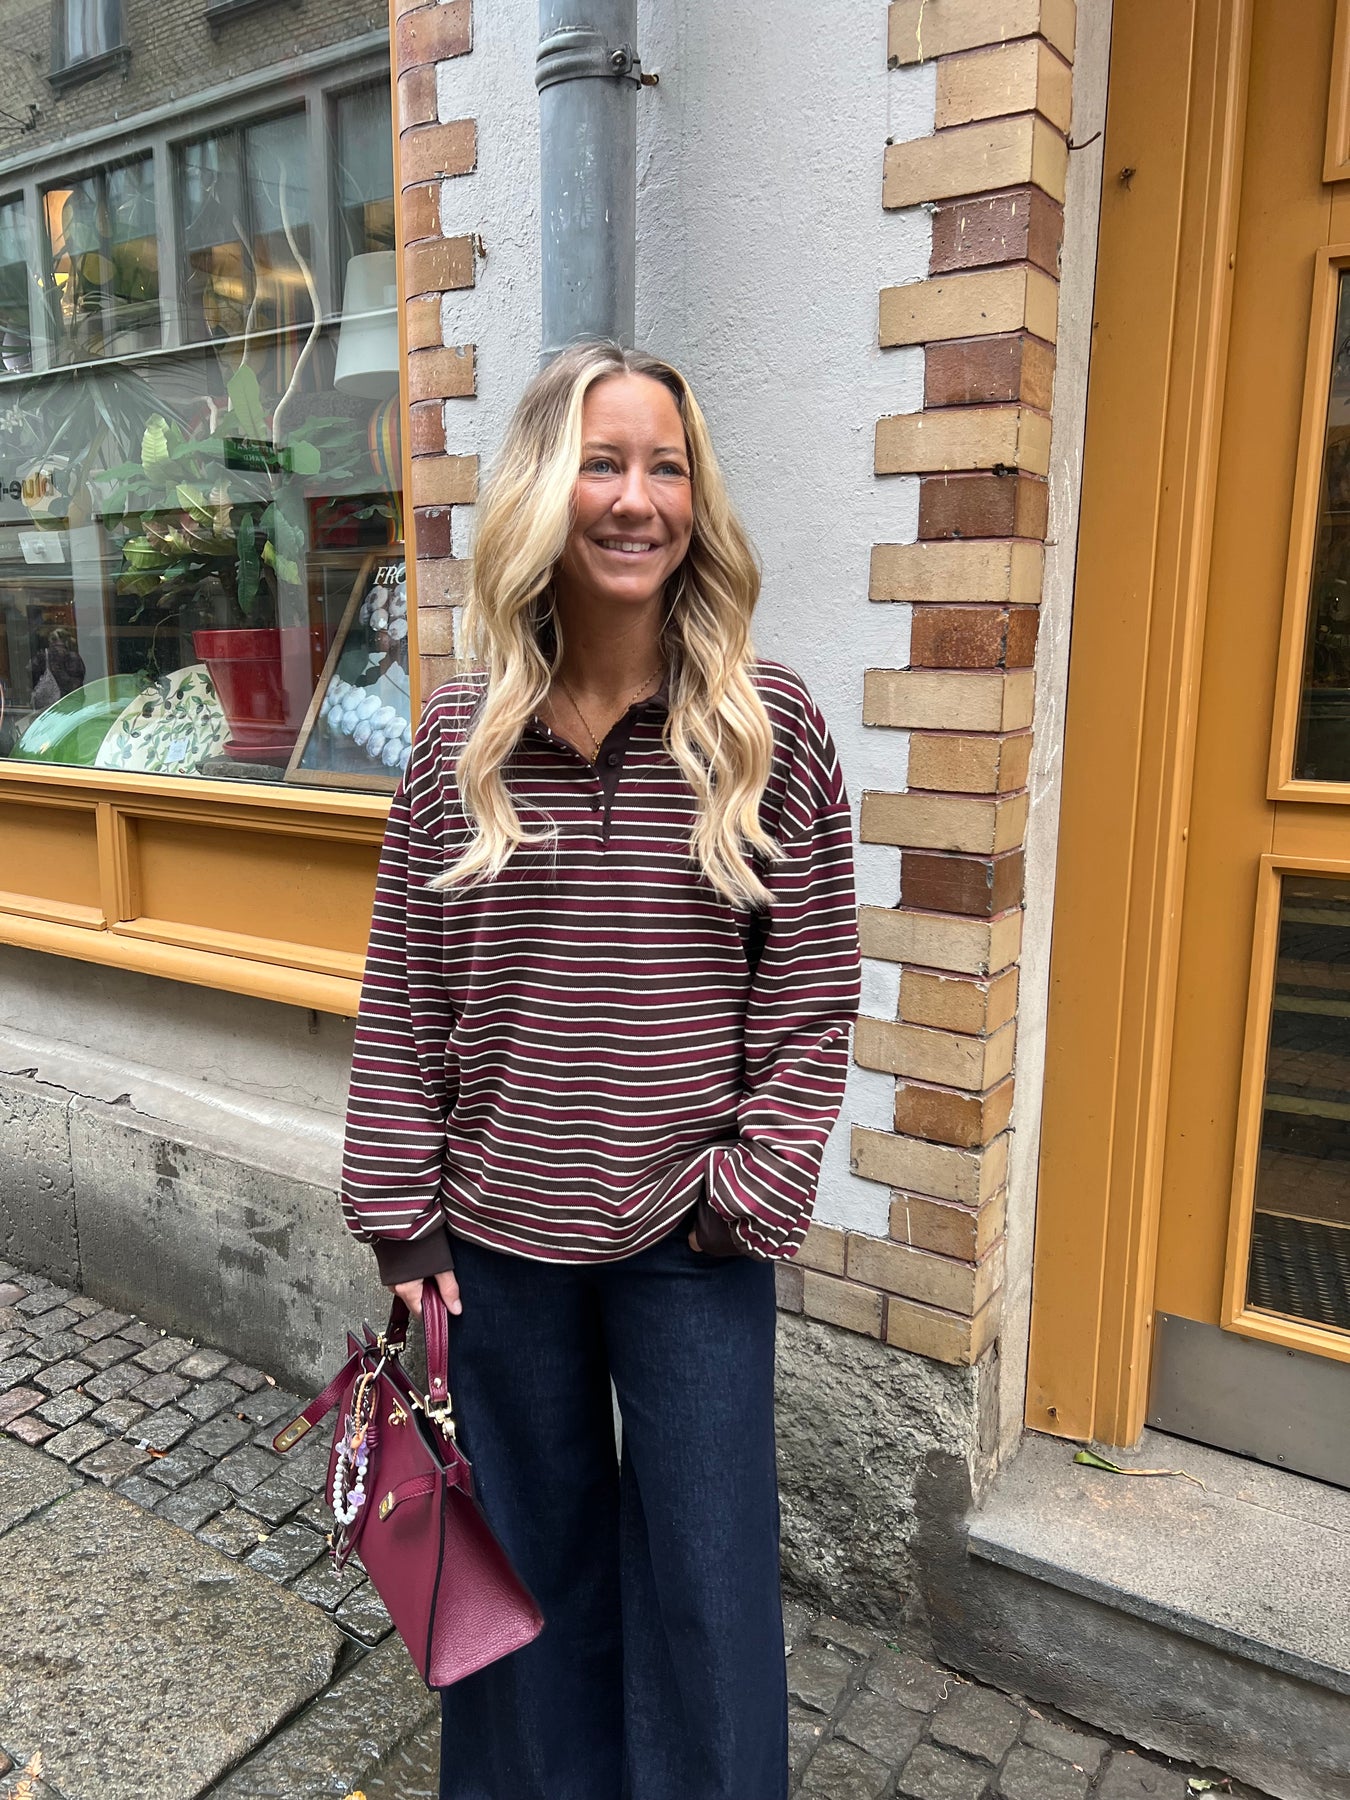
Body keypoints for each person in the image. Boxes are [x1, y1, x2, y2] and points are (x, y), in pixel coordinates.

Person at [338, 341, 861, 1800]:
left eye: (667, 467)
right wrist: (401, 1217)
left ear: (697, 501)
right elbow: (404, 992)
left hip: (687, 1243)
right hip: (496, 1242)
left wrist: (751, 1191)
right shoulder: (461, 742)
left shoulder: (765, 730)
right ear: (541, 492)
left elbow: (812, 996)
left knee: (707, 1587)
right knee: (525, 1575)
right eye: (603, 463)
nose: (639, 499)